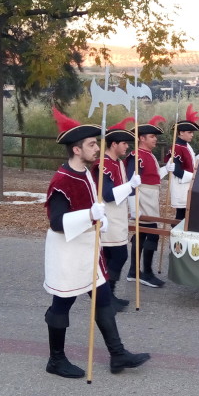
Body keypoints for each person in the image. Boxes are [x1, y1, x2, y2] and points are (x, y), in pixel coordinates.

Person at [43, 108, 150, 378]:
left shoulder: (89, 172)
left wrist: (96, 217)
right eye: (91, 144)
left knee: (103, 300)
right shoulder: (61, 180)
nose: (96, 149)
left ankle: (117, 354)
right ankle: (55, 360)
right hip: (67, 252)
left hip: (90, 249)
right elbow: (56, 222)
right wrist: (89, 215)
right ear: (76, 150)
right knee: (61, 305)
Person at [96, 117, 141, 311]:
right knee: (118, 256)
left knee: (111, 257)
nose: (127, 147)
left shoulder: (119, 163)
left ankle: (107, 296)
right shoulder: (103, 164)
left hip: (119, 217)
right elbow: (107, 194)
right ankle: (107, 296)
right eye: (124, 143)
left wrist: (133, 208)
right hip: (109, 217)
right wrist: (130, 185)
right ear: (113, 144)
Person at [125, 115, 168, 288]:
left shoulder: (148, 155)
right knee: (150, 232)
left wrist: (166, 168)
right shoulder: (136, 156)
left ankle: (134, 272)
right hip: (142, 198)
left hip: (151, 196)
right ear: (142, 138)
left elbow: (154, 178)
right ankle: (145, 273)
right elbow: (131, 182)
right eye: (152, 136)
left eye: (155, 136)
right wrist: (133, 206)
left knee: (143, 233)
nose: (155, 139)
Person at [166, 104, 199, 222]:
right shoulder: (176, 147)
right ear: (181, 133)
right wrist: (195, 177)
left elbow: (192, 163)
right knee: (181, 217)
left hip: (188, 186)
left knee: (187, 217)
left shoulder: (186, 146)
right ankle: (175, 240)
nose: (192, 135)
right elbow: (177, 171)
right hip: (181, 187)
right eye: (189, 132)